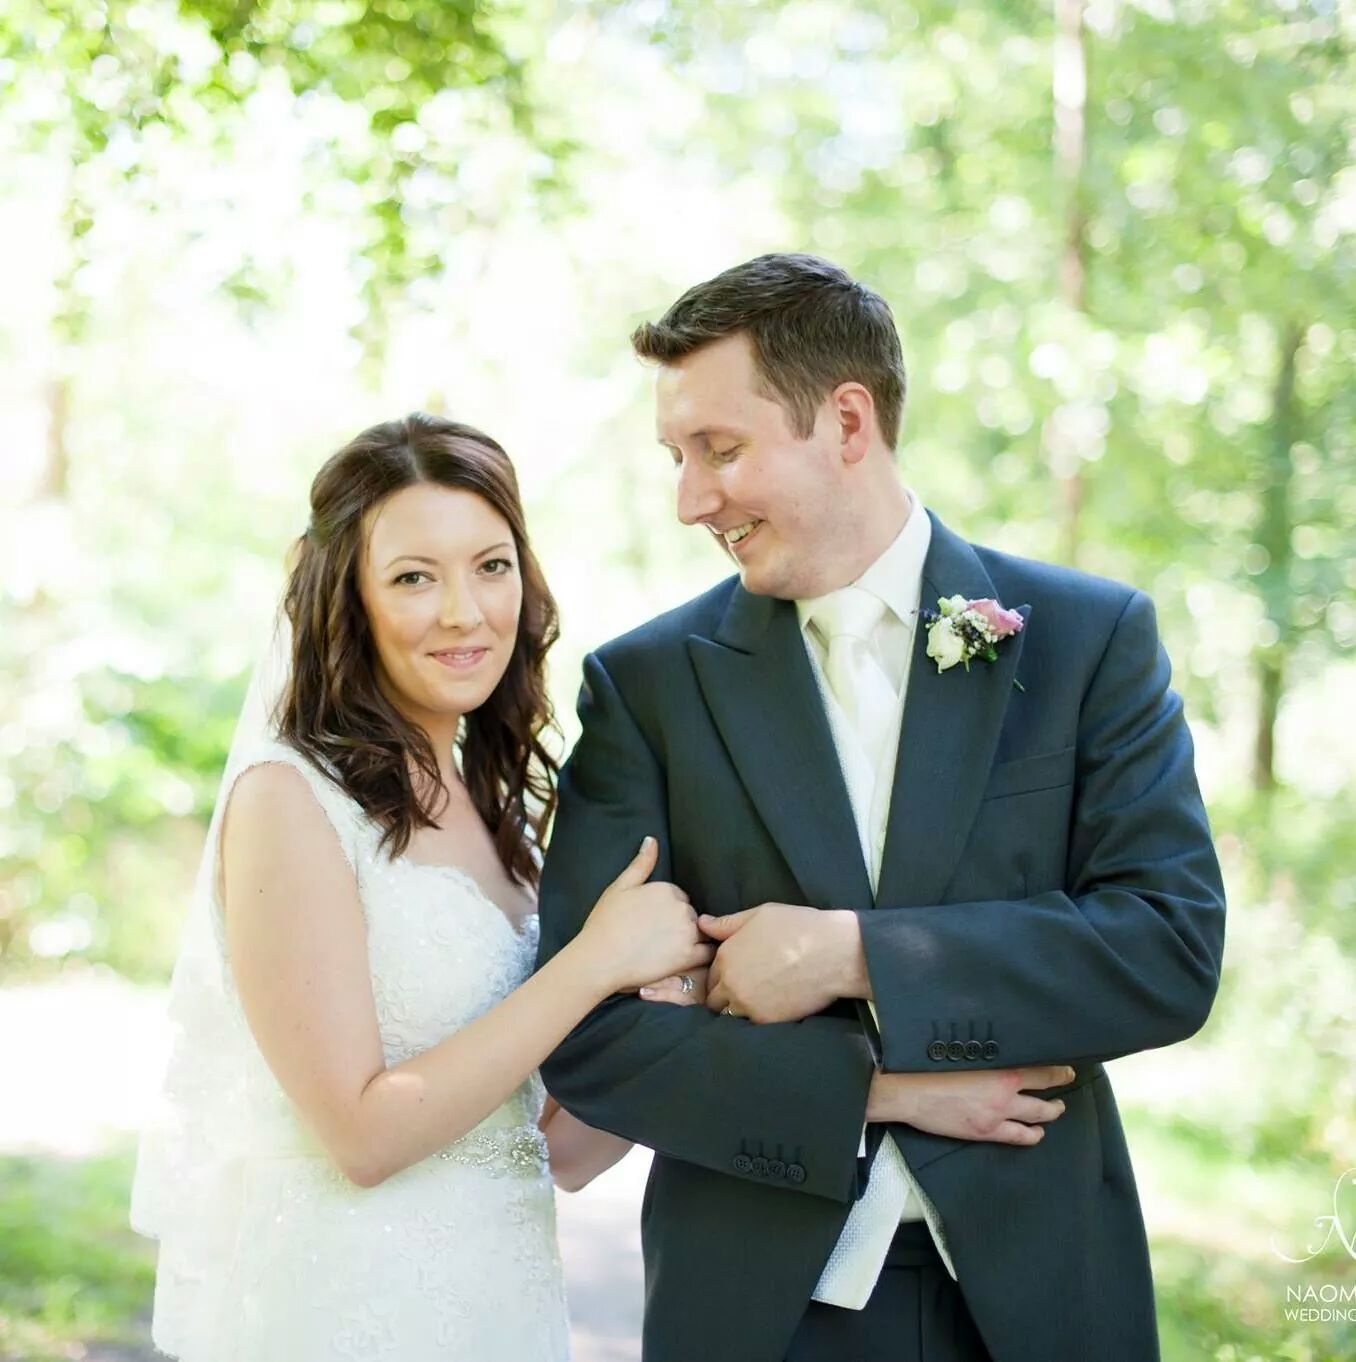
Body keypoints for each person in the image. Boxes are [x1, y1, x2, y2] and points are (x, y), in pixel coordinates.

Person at [536, 254, 1226, 1362]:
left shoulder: (1088, 641)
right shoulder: (649, 687)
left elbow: (1168, 951)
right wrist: (870, 1089)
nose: (688, 499)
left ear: (846, 422)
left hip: (1043, 1293)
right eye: (678, 457)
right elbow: (589, 1040)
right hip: (752, 1303)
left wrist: (852, 956)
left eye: (721, 450)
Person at [131, 414, 713, 1362]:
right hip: (344, 1309)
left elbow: (559, 1150)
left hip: (500, 1308)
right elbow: (361, 1136)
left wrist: (679, 998)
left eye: (491, 565)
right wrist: (595, 961)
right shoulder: (290, 801)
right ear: (348, 600)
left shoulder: (502, 811)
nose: (464, 611)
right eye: (413, 577)